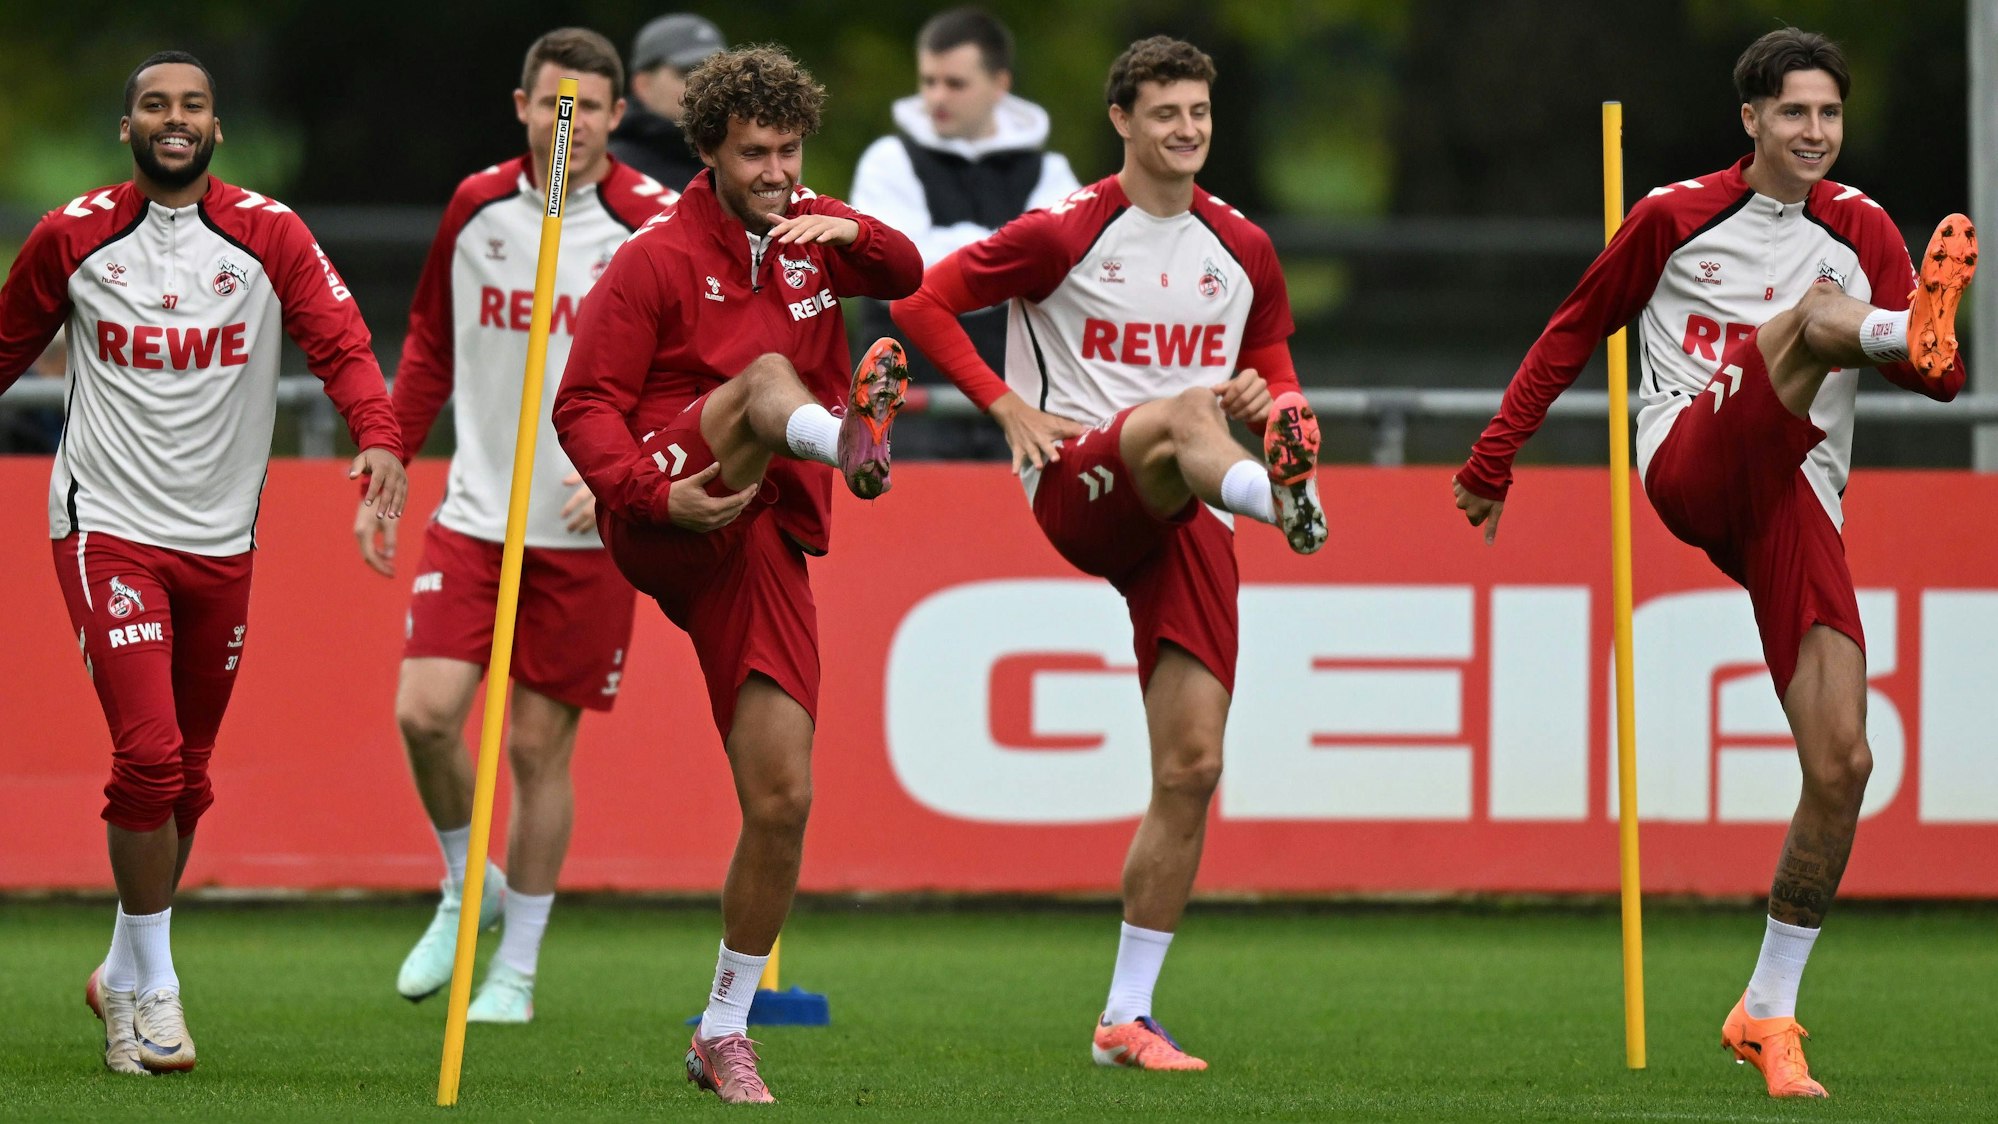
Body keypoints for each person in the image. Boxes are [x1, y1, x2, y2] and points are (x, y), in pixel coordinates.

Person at [1449, 28, 1977, 1099]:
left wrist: (1921, 346)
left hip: (1797, 494)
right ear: (1752, 119)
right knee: (1816, 318)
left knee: (1844, 764)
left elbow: (1941, 380)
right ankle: (1874, 324)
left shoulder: (1865, 224)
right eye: (1794, 112)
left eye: (1829, 113)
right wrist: (1493, 456)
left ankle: (1766, 1010)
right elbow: (1571, 331)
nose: (1814, 132)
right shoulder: (1672, 215)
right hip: (1691, 460)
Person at [892, 35, 1327, 1072]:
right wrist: (1004, 407)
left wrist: (1277, 402)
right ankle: (1284, 504)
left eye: (1199, 112)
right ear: (1122, 121)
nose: (1187, 129)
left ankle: (1124, 1016)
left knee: (1194, 765)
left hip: (1191, 511)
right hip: (1079, 478)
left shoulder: (1242, 246)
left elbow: (1275, 372)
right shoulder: (1066, 230)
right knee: (1185, 409)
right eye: (1166, 112)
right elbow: (919, 301)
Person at [0, 51, 408, 1075]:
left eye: (191, 105)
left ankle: (119, 969)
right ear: (127, 128)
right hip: (104, 527)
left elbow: (343, 344)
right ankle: (156, 990)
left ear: (216, 128)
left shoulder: (271, 233)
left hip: (222, 539)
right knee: (146, 754)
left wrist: (378, 437)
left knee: (186, 774)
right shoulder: (71, 235)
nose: (172, 118)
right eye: (153, 105)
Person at [553, 44, 922, 1103]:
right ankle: (846, 440)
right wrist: (644, 494)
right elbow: (581, 405)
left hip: (759, 531)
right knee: (764, 377)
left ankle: (722, 1028)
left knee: (783, 796)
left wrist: (853, 231)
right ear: (710, 152)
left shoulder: (812, 232)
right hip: (669, 501)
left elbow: (907, 274)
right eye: (756, 153)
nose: (776, 171)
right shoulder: (654, 259)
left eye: (790, 150)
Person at [356, 28, 674, 1025]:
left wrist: (634, 460)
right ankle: (467, 887)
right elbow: (429, 342)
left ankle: (518, 970)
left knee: (536, 750)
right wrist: (390, 454)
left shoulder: (652, 223)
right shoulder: (477, 205)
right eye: (552, 105)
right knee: (425, 714)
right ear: (524, 107)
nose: (568, 124)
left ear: (617, 116)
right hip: (477, 514)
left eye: (589, 108)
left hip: (584, 535)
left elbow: (689, 370)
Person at [851, 6, 1079, 459]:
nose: (937, 96)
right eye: (928, 80)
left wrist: (947, 259)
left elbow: (1066, 274)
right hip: (903, 416)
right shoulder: (887, 160)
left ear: (1000, 84)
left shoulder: (1051, 171)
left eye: (955, 83)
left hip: (1021, 415)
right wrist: (1012, 261)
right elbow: (898, 273)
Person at [607, 13, 725, 191]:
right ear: (643, 84)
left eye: (718, 71)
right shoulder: (609, 171)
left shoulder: (744, 160)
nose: (707, 84)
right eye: (688, 72)